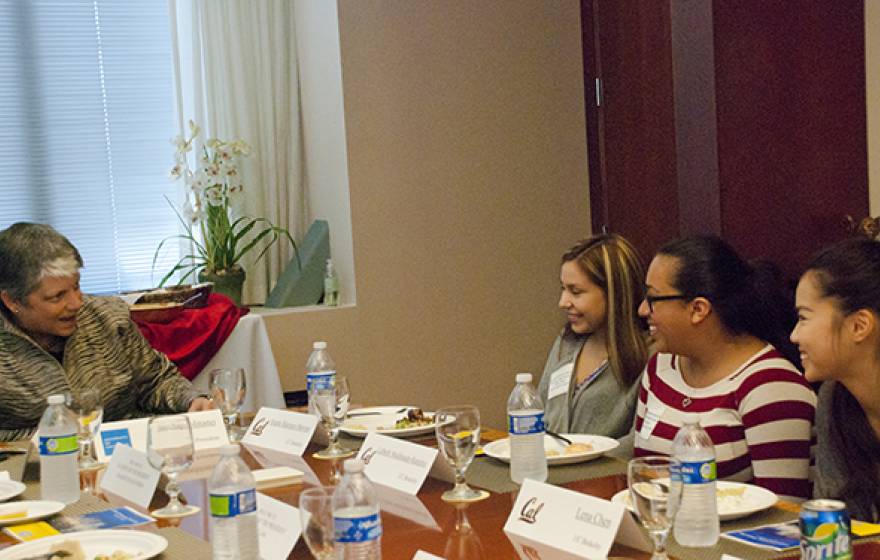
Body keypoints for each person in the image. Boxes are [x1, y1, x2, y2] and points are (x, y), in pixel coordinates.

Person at [633, 235, 815, 500]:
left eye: (653, 299)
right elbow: (645, 475)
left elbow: (782, 516)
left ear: (698, 309)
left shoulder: (770, 386)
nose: (641, 310)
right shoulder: (662, 366)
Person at [0, 222, 213, 442]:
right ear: (12, 301)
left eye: (76, 287)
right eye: (57, 297)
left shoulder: (108, 318)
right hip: (30, 467)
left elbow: (155, 380)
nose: (75, 303)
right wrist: (57, 439)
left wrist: (190, 400)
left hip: (125, 457)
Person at [791, 238, 880, 521]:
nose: (794, 336)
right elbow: (837, 523)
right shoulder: (835, 399)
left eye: (803, 318)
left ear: (859, 325)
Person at [537, 234, 649, 437]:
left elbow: (638, 442)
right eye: (563, 289)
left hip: (609, 468)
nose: (563, 302)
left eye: (576, 292)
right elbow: (540, 415)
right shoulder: (566, 343)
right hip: (553, 465)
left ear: (614, 294)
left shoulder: (649, 354)